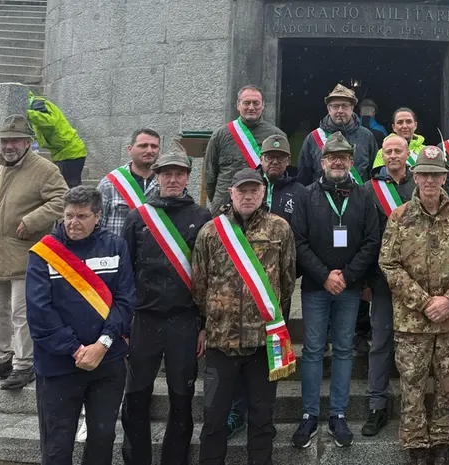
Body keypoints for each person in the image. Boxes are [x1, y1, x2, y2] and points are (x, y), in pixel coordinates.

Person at [378, 145, 449, 465]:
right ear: (415, 177)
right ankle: (416, 442)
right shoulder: (399, 217)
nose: (431, 180)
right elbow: (389, 264)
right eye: (425, 174)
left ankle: (444, 439)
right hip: (412, 322)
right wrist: (424, 302)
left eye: (437, 175)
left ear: (445, 178)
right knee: (412, 385)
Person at [192, 168, 297, 465]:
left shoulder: (280, 229)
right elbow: (199, 282)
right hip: (221, 341)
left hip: (263, 342)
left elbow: (287, 280)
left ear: (263, 193)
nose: (248, 196)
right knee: (214, 419)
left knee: (262, 419)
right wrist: (208, 321)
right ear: (231, 193)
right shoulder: (211, 231)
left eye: (254, 190)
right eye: (242, 191)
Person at [26, 186, 134, 465]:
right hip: (58, 366)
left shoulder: (115, 246)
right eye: (69, 215)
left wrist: (103, 344)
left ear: (98, 216)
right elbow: (40, 312)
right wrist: (75, 350)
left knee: (102, 438)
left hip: (107, 363)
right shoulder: (43, 253)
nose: (73, 223)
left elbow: (125, 300)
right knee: (57, 446)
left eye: (82, 216)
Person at [120, 152, 212, 465]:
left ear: (188, 177)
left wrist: (203, 326)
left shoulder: (203, 218)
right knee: (136, 396)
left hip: (183, 320)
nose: (172, 180)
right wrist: (123, 325)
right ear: (157, 177)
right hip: (144, 320)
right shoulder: (137, 218)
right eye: (166, 174)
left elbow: (208, 277)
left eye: (179, 174)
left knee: (181, 398)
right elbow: (125, 275)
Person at [290, 132, 381, 449]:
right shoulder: (306, 195)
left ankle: (338, 415)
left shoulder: (364, 196)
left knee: (343, 350)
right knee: (313, 351)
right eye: (332, 156)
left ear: (351, 162)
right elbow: (298, 241)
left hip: (350, 287)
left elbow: (372, 241)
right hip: (316, 286)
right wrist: (325, 274)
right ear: (322, 161)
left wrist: (348, 275)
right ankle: (309, 415)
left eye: (343, 157)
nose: (338, 161)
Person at [225, 134, 305, 439]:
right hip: (239, 296)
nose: (274, 162)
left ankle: (263, 415)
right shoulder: (243, 188)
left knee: (268, 361)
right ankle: (237, 410)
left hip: (274, 295)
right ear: (261, 159)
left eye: (280, 158)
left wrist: (284, 298)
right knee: (239, 357)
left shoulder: (299, 192)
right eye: (269, 157)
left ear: (287, 161)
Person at [0, 114, 68, 389]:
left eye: (15, 140)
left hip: (26, 252)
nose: (9, 145)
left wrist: (32, 221)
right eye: (5, 140)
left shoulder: (44, 169)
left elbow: (62, 199)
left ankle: (24, 364)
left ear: (28, 142)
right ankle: (0, 358)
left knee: (22, 313)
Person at [359, 135, 417, 437]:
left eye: (398, 150)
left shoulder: (420, 184)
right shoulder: (369, 190)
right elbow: (366, 238)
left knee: (416, 344)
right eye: (388, 151)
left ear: (408, 153)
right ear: (382, 155)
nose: (394, 155)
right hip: (382, 281)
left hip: (419, 282)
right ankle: (376, 406)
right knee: (380, 343)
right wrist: (367, 281)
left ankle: (414, 406)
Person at [205, 85, 285, 212]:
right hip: (225, 208)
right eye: (246, 103)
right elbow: (210, 176)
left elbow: (282, 174)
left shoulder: (277, 136)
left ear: (263, 105)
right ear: (238, 105)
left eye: (256, 103)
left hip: (261, 208)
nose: (251, 107)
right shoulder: (220, 135)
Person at [297, 83, 378, 186]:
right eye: (335, 106)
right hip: (321, 200)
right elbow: (304, 177)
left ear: (352, 108)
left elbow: (374, 174)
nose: (340, 110)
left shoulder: (367, 136)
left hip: (358, 200)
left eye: (344, 106)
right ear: (328, 109)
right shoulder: (313, 138)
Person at [97, 128, 160, 236]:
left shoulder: (165, 184)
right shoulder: (109, 183)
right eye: (143, 146)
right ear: (130, 150)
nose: (149, 150)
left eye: (154, 146)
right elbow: (96, 223)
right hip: (118, 251)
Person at [27, 92, 88, 188]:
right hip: (63, 153)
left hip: (71, 152)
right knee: (65, 187)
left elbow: (50, 121)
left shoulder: (37, 104)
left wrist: (27, 113)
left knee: (69, 188)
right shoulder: (34, 107)